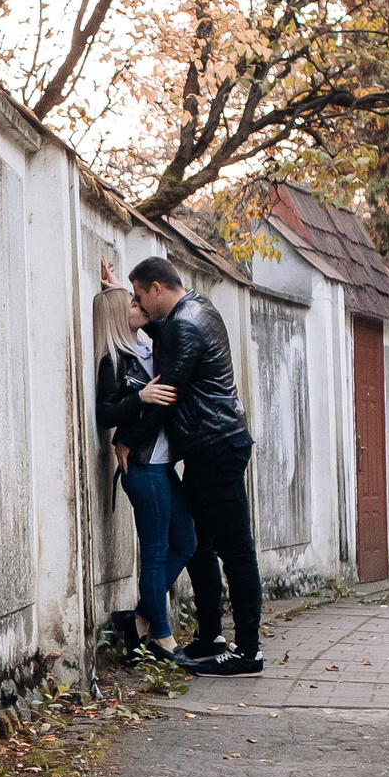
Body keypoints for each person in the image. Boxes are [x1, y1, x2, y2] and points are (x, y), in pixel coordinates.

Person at [129, 254, 263, 676]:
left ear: (156, 288)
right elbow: (165, 333)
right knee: (200, 544)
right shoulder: (198, 306)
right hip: (213, 444)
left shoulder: (184, 325)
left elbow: (166, 392)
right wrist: (120, 293)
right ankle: (211, 635)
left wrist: (126, 439)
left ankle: (248, 652)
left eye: (138, 297)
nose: (138, 306)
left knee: (234, 549)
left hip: (216, 446)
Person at [92, 284, 196, 667]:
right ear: (119, 315)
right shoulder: (114, 359)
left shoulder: (148, 347)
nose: (140, 306)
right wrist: (141, 399)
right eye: (132, 303)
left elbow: (156, 317)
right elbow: (105, 413)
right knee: (154, 554)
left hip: (163, 464)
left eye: (138, 299)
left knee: (186, 542)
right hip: (142, 465)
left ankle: (138, 619)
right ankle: (163, 639)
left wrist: (117, 285)